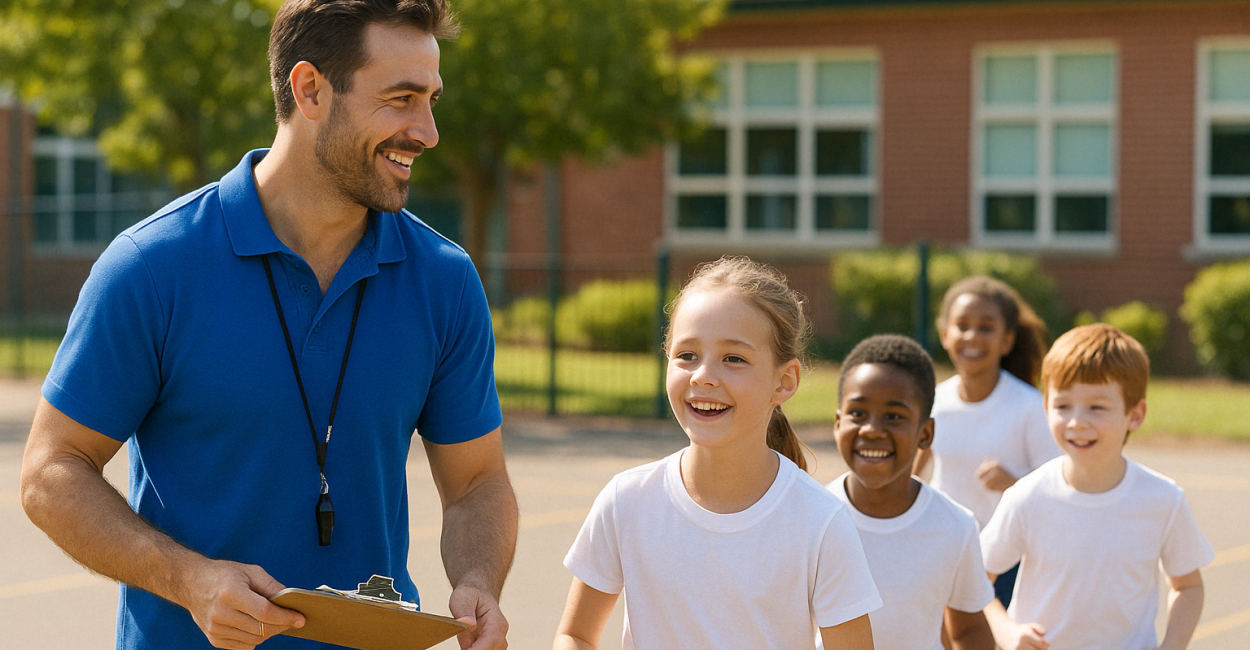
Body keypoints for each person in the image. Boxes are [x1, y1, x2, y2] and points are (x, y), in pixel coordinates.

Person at [19, 2, 518, 649]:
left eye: (431, 100)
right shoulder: (154, 266)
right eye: (400, 99)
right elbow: (50, 471)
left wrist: (478, 580)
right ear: (310, 88)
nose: (426, 131)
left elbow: (478, 481)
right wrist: (189, 580)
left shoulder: (444, 280)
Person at [553, 256, 880, 650]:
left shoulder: (820, 522)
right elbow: (575, 634)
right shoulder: (627, 500)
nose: (703, 374)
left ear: (784, 380)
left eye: (734, 358)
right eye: (687, 355)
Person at [980, 324, 1214, 650]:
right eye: (1063, 406)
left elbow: (1188, 587)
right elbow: (976, 582)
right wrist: (1005, 631)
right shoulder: (1027, 496)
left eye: (1097, 407)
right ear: (1046, 407)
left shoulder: (1163, 499)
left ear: (1135, 414)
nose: (1077, 421)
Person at [828, 334, 994, 650]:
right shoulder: (811, 518)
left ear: (925, 433)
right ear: (838, 424)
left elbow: (968, 630)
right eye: (858, 413)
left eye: (894, 416)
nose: (872, 429)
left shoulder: (955, 525)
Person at [913, 276, 1058, 606]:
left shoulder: (1029, 407)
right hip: (945, 551)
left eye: (986, 327)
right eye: (962, 325)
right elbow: (912, 471)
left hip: (1007, 561)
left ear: (1007, 341)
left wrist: (1014, 483)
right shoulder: (933, 400)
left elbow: (1059, 488)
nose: (972, 336)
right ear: (945, 335)